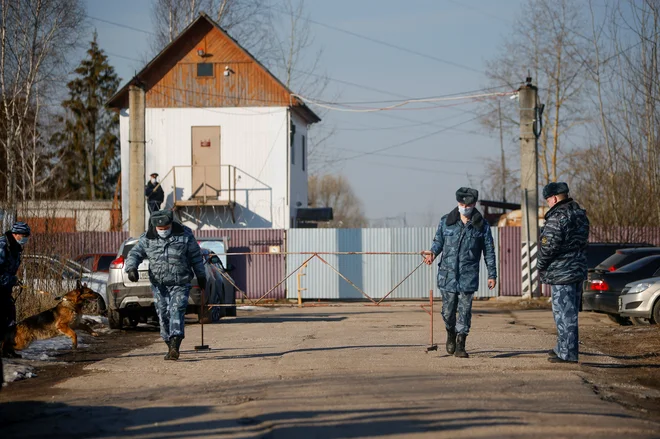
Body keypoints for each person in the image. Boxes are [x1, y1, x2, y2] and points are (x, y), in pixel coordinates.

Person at [422, 188, 497, 358]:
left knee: (465, 310)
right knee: (448, 311)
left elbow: (489, 252)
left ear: (474, 204)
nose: (465, 207)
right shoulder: (446, 222)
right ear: (458, 203)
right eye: (462, 204)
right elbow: (438, 242)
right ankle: (450, 333)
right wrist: (431, 254)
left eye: (468, 204)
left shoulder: (482, 226)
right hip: (447, 275)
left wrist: (492, 274)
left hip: (468, 275)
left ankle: (461, 343)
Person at [124, 210, 206, 360]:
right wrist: (131, 268)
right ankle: (169, 344)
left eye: (166, 228)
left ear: (171, 224)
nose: (163, 231)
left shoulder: (185, 235)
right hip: (159, 285)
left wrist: (201, 275)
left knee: (177, 310)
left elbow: (196, 256)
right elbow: (135, 254)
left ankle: (175, 344)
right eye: (160, 229)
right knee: (163, 314)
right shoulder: (147, 238)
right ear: (155, 227)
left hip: (180, 282)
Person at [537, 182, 590, 364]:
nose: (548, 203)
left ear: (553, 198)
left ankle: (568, 354)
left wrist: (540, 265)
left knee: (563, 315)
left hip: (562, 273)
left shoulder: (557, 217)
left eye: (548, 200)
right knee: (570, 313)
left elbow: (548, 246)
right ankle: (562, 348)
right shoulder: (580, 215)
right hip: (577, 270)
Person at [0, 222, 31, 360]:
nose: (25, 238)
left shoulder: (16, 247)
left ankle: (8, 349)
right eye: (23, 235)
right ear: (15, 234)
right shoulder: (2, 246)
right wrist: (10, 279)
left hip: (5, 289)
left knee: (11, 319)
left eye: (27, 236)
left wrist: (13, 280)